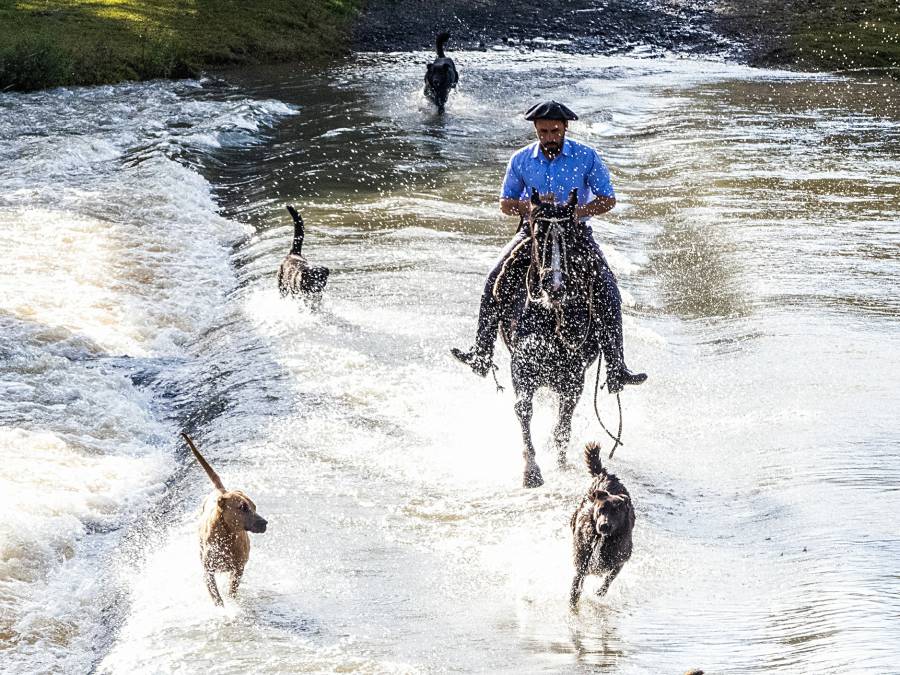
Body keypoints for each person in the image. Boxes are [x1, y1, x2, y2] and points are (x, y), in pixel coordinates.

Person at [451, 100, 647, 393]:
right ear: (535, 130)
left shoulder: (586, 156)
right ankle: (482, 352)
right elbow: (506, 203)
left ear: (565, 128)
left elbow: (608, 199)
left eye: (554, 130)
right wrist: (531, 209)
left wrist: (575, 212)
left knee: (607, 286)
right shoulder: (521, 159)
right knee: (494, 276)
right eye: (543, 131)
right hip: (533, 234)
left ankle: (616, 366)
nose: (549, 137)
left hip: (576, 235)